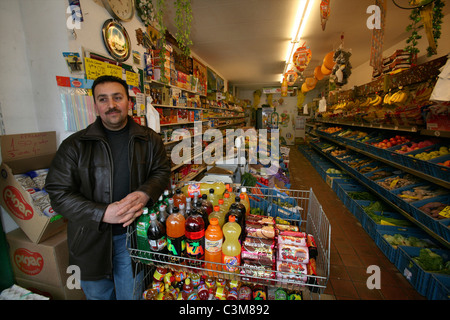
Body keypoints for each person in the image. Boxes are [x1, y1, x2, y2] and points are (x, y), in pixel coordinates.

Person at [45, 75, 171, 300]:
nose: (111, 105)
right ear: (95, 105)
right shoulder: (74, 146)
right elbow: (58, 193)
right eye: (103, 99)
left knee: (132, 296)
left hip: (133, 237)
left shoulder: (150, 140)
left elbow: (161, 172)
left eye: (117, 97)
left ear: (129, 103)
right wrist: (102, 213)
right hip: (90, 239)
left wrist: (145, 193)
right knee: (98, 297)